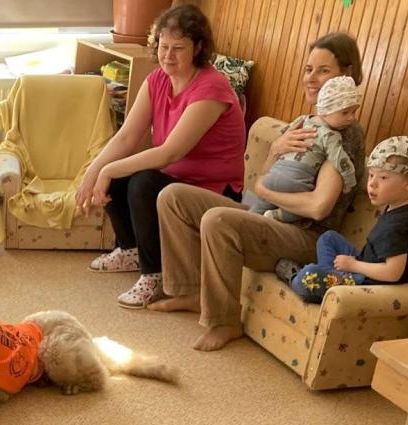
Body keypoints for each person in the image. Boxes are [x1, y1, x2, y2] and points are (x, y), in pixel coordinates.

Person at [156, 32, 367, 351]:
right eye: (308, 69)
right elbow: (265, 178)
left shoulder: (344, 133)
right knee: (173, 197)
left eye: (323, 70)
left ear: (346, 75)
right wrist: (275, 150)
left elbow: (318, 207)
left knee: (218, 220)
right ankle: (190, 291)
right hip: (267, 216)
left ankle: (224, 322)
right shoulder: (304, 123)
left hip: (305, 234)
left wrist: (263, 189)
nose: (311, 78)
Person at [77, 4, 245, 309]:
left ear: (197, 48)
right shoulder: (157, 79)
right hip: (175, 178)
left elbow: (171, 153)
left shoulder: (211, 88)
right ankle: (130, 249)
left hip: (213, 190)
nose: (168, 55)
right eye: (163, 46)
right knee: (119, 172)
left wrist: (108, 170)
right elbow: (126, 137)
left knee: (140, 181)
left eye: (178, 48)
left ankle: (153, 275)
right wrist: (94, 170)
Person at [286, 136, 408, 302]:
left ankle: (304, 280)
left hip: (371, 283)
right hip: (368, 262)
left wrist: (353, 265)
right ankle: (333, 283)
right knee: (328, 238)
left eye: (383, 178)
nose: (372, 184)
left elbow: (392, 273)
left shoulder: (395, 227)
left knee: (307, 276)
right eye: (371, 175)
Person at [243, 75, 362, 223]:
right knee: (298, 212)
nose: (352, 118)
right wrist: (349, 181)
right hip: (295, 183)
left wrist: (263, 189)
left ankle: (249, 218)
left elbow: (317, 209)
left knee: (254, 212)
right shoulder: (331, 135)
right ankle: (276, 215)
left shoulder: (303, 120)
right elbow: (340, 160)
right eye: (345, 112)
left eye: (353, 112)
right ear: (326, 110)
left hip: (272, 177)